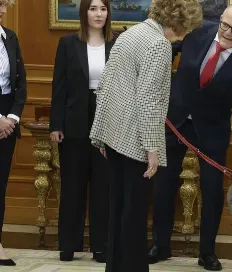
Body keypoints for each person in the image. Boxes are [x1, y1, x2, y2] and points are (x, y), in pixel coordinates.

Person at [89, 0, 203, 271]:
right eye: (188, 28)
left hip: (115, 136)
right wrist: (152, 148)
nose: (187, 35)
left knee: (118, 209)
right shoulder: (159, 45)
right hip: (135, 140)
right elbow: (149, 101)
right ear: (179, 22)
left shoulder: (131, 33)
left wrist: (100, 134)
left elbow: (106, 84)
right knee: (135, 214)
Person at [148, 3, 232, 270]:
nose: (227, 33)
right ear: (220, 19)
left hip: (212, 131)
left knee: (212, 192)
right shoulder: (196, 31)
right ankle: (160, 245)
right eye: (225, 25)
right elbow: (164, 50)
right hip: (175, 121)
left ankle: (207, 253)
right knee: (163, 185)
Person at [49, 0, 114, 263]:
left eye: (103, 9)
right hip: (74, 122)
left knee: (103, 187)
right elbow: (59, 86)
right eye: (93, 8)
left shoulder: (117, 43)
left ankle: (101, 246)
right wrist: (56, 124)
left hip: (107, 122)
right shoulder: (68, 44)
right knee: (73, 186)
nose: (98, 14)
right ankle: (68, 245)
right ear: (83, 12)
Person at [0, 0, 25, 267]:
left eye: (4, 5)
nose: (3, 10)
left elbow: (21, 84)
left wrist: (11, 119)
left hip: (7, 121)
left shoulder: (10, 37)